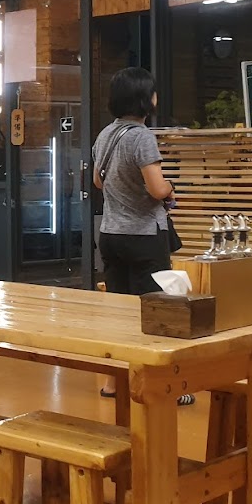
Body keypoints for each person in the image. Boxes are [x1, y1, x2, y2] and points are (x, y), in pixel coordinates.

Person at [92, 67, 193, 404]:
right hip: (143, 236)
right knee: (157, 312)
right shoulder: (141, 136)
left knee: (119, 310)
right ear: (145, 99)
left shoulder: (106, 134)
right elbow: (156, 188)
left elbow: (98, 182)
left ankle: (113, 382)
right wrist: (170, 188)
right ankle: (162, 386)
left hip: (110, 233)